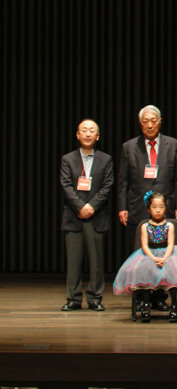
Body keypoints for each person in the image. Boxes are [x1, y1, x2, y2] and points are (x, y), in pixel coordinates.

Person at [117, 105, 177, 311]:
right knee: (140, 254)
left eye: (153, 121)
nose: (149, 125)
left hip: (165, 207)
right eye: (145, 121)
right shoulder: (129, 147)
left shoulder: (174, 145)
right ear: (140, 124)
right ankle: (141, 297)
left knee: (162, 252)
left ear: (160, 122)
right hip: (137, 207)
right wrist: (122, 207)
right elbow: (123, 181)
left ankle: (159, 297)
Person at [113, 192, 177, 323]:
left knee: (173, 270)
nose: (158, 210)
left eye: (161, 207)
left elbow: (171, 244)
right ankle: (146, 303)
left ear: (165, 208)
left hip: (168, 254)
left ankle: (174, 304)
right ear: (149, 209)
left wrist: (164, 258)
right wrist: (153, 259)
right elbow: (144, 246)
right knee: (145, 269)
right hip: (150, 254)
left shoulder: (169, 226)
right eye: (154, 207)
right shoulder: (145, 226)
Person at [60, 119, 113, 311]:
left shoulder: (106, 159)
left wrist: (91, 206)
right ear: (78, 134)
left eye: (92, 131)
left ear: (97, 136)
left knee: (96, 261)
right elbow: (66, 185)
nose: (88, 133)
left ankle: (94, 297)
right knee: (73, 261)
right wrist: (80, 207)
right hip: (74, 216)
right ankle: (73, 298)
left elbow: (107, 186)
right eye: (84, 130)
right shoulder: (68, 159)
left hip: (96, 216)